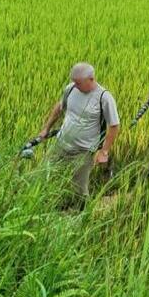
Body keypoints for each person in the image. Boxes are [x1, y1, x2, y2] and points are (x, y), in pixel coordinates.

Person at [38, 62, 120, 197]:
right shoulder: (70, 89)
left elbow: (114, 125)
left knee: (79, 189)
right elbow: (59, 107)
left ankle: (83, 213)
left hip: (83, 150)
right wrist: (46, 129)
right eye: (74, 82)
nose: (76, 85)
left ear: (91, 79)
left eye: (79, 83)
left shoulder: (104, 97)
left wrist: (104, 151)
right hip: (61, 143)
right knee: (44, 175)